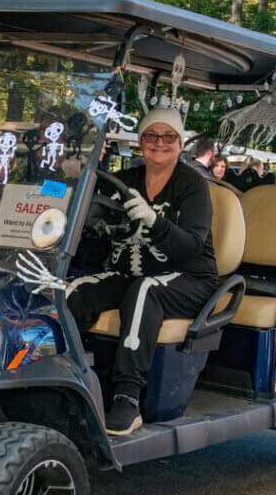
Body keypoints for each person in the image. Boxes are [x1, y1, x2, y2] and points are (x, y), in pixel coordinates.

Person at [67, 108, 218, 436]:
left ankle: (127, 398)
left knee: (145, 291)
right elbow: (100, 246)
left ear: (179, 143)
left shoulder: (192, 184)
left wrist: (155, 221)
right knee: (72, 291)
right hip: (133, 273)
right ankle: (68, 382)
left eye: (168, 137)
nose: (159, 143)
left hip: (190, 279)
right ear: (140, 142)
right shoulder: (127, 180)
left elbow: (191, 245)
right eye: (151, 136)